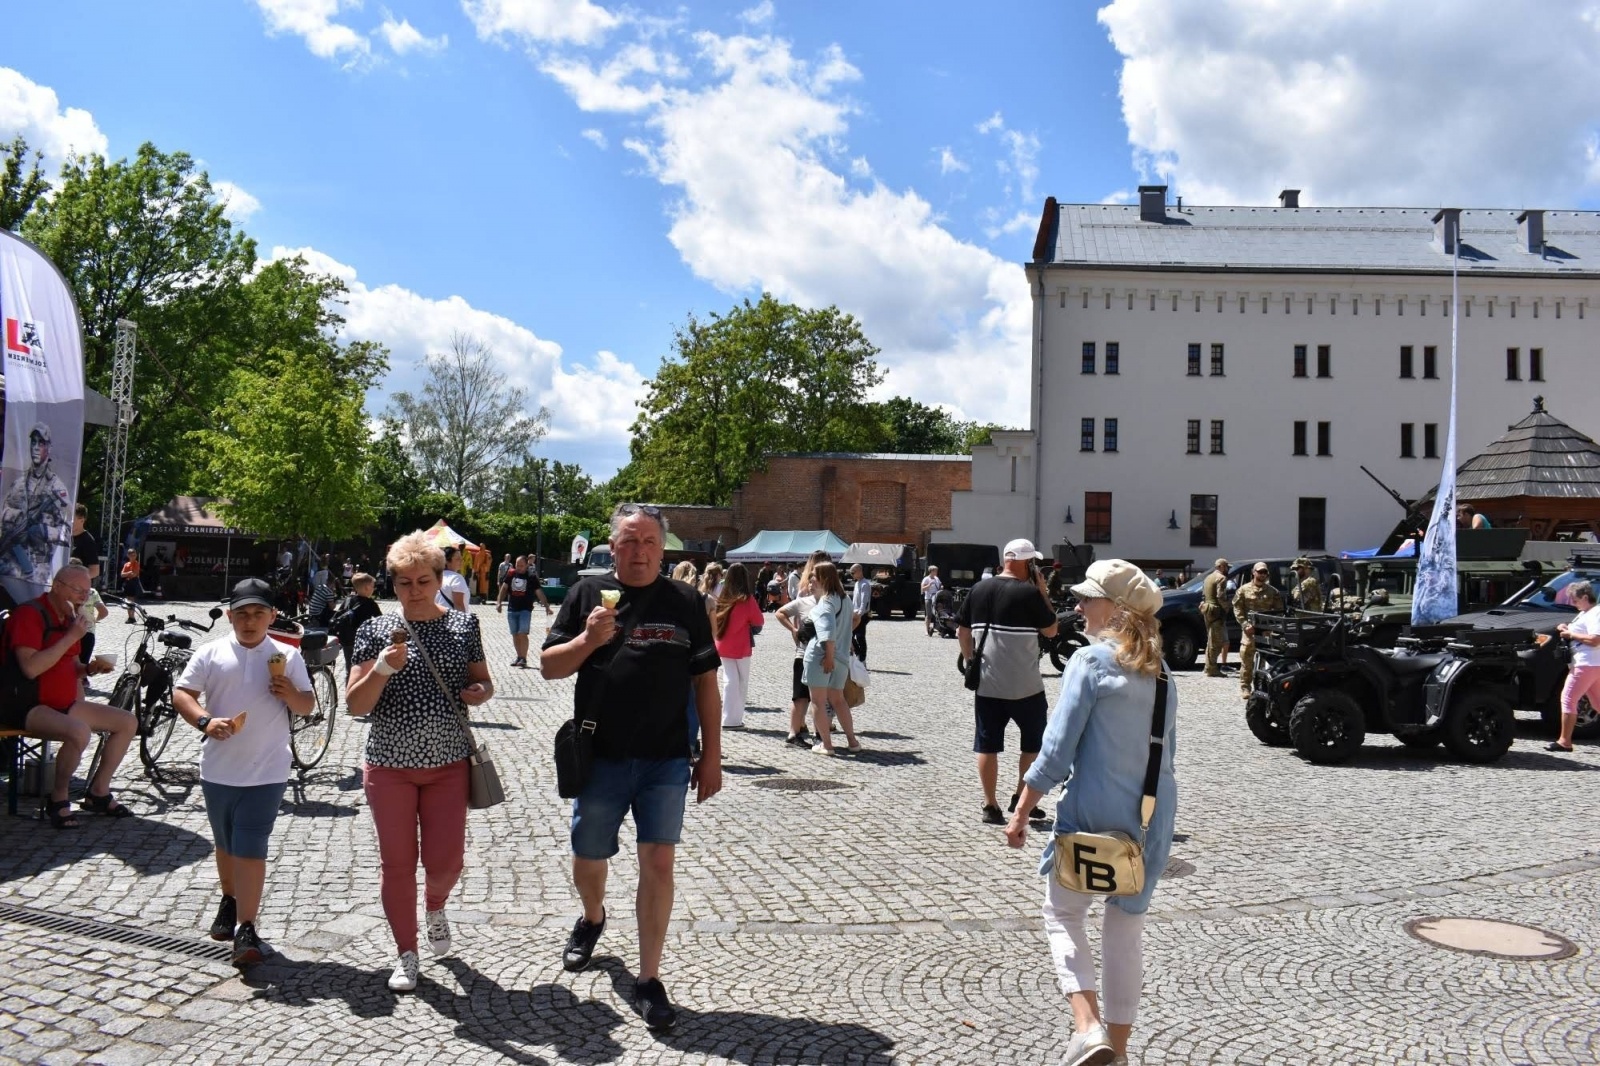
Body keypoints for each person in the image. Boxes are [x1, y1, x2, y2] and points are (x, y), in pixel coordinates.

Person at [541, 503, 722, 1031]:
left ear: (662, 549)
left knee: (659, 862)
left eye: (648, 542)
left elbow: (705, 683)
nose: (638, 551)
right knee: (588, 855)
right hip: (601, 756)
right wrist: (588, 639)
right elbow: (550, 667)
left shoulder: (687, 600)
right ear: (612, 547)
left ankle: (648, 978)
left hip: (666, 757)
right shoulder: (585, 594)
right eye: (628, 541)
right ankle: (593, 916)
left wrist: (711, 753)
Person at [1003, 559, 1177, 1066]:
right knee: (1125, 932)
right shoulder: (1161, 670)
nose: (1077, 606)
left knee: (1062, 913)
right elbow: (1167, 754)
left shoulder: (1091, 661)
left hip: (1093, 810)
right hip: (1150, 816)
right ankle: (1116, 1055)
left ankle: (1088, 1027)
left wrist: (1020, 811)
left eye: (1087, 597)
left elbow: (1056, 751)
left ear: (1117, 609)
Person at [345, 531, 494, 993]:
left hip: (448, 763)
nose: (414, 590)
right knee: (397, 864)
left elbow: (484, 683)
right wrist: (385, 668)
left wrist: (480, 693)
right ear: (392, 584)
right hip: (389, 765)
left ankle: (435, 905)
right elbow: (354, 705)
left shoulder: (463, 627)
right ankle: (406, 954)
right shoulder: (373, 631)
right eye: (404, 582)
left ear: (439, 579)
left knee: (447, 862)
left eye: (423, 580)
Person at [172, 578, 314, 967]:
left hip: (268, 767)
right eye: (242, 614)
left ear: (272, 616)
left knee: (251, 845)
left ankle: (247, 928)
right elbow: (183, 693)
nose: (250, 622)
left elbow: (306, 705)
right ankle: (230, 899)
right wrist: (204, 722)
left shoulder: (287, 655)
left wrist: (290, 694)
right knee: (226, 843)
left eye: (258, 614)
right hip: (219, 768)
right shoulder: (211, 652)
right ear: (231, 616)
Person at [0, 564, 131, 828]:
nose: (83, 597)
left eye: (87, 591)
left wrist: (90, 668)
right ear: (56, 586)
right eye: (77, 590)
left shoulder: (70, 619)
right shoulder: (30, 615)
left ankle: (98, 793)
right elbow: (31, 667)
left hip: (61, 703)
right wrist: (72, 635)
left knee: (127, 722)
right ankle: (58, 798)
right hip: (25, 704)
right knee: (79, 732)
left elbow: (70, 665)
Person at [957, 538, 1059, 824]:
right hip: (1026, 686)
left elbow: (963, 634)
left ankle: (990, 805)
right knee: (1033, 744)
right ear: (1027, 563)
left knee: (987, 745)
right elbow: (1051, 630)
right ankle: (1020, 797)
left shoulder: (978, 589)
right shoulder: (1029, 595)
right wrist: (1042, 592)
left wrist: (969, 661)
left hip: (988, 685)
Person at [802, 561, 862, 756]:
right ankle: (852, 741)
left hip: (822, 656)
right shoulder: (845, 599)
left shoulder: (826, 602)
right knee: (839, 700)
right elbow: (853, 621)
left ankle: (826, 744)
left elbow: (826, 633)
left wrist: (828, 656)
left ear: (822, 578)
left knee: (817, 701)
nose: (811, 580)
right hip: (842, 657)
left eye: (814, 576)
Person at [0, 423, 72, 580]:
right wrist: (15, 515)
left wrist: (45, 531)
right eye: (33, 442)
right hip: (11, 563)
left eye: (41, 443)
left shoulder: (57, 487)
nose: (36, 447)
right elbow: (3, 512)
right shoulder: (19, 483)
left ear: (49, 448)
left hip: (39, 570)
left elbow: (66, 532)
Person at [776, 557, 822, 746]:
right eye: (810, 581)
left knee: (820, 698)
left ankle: (820, 733)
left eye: (814, 581)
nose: (810, 585)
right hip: (803, 654)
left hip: (823, 655)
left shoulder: (835, 601)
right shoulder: (804, 601)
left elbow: (855, 618)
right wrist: (793, 630)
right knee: (800, 696)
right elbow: (780, 612)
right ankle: (794, 734)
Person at [711, 563, 764, 729]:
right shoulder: (747, 600)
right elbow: (759, 621)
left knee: (729, 681)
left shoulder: (722, 597)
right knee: (741, 682)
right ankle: (734, 719)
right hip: (741, 646)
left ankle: (727, 718)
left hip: (722, 643)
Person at [1550, 580, 1599, 753]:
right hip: (1592, 664)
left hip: (1586, 664)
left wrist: (1571, 633)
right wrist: (1566, 627)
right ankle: (1565, 740)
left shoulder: (1595, 613)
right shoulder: (1586, 612)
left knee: (1568, 699)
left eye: (1575, 600)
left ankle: (1565, 741)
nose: (1573, 603)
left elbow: (1595, 639)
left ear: (1585, 597)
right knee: (1598, 703)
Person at [1233, 562, 1284, 699]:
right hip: (1250, 630)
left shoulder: (1273, 592)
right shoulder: (1243, 590)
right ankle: (1245, 687)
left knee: (1265, 660)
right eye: (1260, 572)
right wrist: (1244, 624)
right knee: (1247, 659)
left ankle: (1261, 687)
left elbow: (1279, 611)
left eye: (1264, 572)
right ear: (1253, 572)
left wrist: (1273, 627)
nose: (1262, 575)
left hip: (1266, 631)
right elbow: (1238, 609)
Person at [329, 572, 382, 678]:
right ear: (367, 588)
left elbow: (338, 614)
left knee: (349, 667)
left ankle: (349, 687)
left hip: (346, 639)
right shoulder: (370, 603)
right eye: (372, 586)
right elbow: (380, 620)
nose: (373, 589)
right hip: (363, 641)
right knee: (362, 666)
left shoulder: (348, 600)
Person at [495, 555, 540, 668]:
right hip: (512, 608)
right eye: (517, 565)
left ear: (526, 565)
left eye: (521, 565)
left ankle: (523, 658)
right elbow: (504, 588)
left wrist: (547, 606)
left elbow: (539, 591)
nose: (518, 567)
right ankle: (519, 657)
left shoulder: (531, 576)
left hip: (526, 609)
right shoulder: (511, 574)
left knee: (522, 633)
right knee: (515, 634)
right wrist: (499, 602)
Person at [70, 557, 109, 670]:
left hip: (71, 631)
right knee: (83, 664)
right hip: (88, 632)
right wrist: (94, 620)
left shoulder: (67, 591)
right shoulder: (92, 592)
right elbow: (104, 612)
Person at [1201, 558, 1230, 677]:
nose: (1227, 569)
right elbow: (1220, 596)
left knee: (1210, 640)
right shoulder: (1221, 578)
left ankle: (1208, 666)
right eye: (1226, 566)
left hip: (1207, 609)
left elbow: (1203, 595)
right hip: (1216, 612)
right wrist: (1227, 607)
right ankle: (1212, 668)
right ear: (1221, 567)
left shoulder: (1208, 578)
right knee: (1217, 642)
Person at [849, 563, 873, 665]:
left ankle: (862, 659)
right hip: (855, 613)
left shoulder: (865, 584)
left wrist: (860, 613)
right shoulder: (856, 583)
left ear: (859, 571)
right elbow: (855, 601)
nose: (852, 575)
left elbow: (865, 600)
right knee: (849, 635)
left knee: (860, 636)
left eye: (853, 573)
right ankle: (858, 654)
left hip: (862, 614)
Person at [70, 505, 101, 583]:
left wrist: (75, 579)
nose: (68, 520)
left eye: (72, 518)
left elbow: (95, 571)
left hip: (76, 587)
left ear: (82, 520)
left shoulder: (87, 540)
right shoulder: (63, 537)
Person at [436, 545, 470, 612]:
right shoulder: (456, 578)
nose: (461, 561)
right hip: (451, 619)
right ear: (447, 561)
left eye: (461, 558)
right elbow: (459, 605)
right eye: (457, 559)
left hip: (438, 617)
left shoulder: (436, 577)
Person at [119, 549, 143, 624]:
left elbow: (134, 574)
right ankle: (130, 617)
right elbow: (122, 574)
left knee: (131, 600)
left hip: (133, 582)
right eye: (131, 555)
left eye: (134, 555)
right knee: (127, 600)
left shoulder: (136, 563)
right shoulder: (126, 564)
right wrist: (129, 572)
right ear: (128, 556)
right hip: (128, 582)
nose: (133, 556)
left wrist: (127, 574)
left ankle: (132, 617)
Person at [921, 565, 943, 637]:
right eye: (935, 571)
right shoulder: (926, 579)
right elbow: (922, 589)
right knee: (929, 614)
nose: (936, 572)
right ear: (931, 571)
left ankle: (938, 629)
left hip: (936, 598)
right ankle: (926, 630)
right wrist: (929, 585)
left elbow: (939, 586)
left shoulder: (937, 579)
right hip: (929, 598)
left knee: (937, 614)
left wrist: (941, 587)